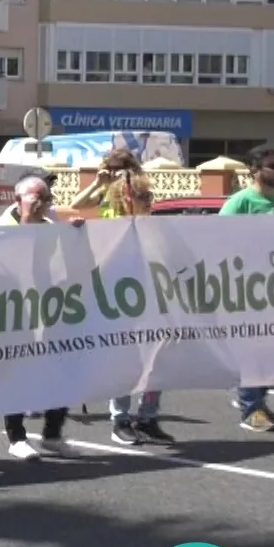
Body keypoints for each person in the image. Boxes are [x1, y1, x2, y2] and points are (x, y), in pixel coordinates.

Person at [0, 173, 79, 460]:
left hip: (50, 309)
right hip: (16, 313)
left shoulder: (50, 227)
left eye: (47, 197)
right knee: (18, 374)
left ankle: (52, 434)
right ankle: (16, 437)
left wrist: (75, 234)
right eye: (37, 197)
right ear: (17, 201)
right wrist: (29, 220)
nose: (43, 203)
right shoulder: (2, 226)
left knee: (63, 369)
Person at [102, 171, 174, 446]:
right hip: (123, 307)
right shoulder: (110, 228)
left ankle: (147, 418)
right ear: (125, 198)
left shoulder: (154, 228)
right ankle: (120, 420)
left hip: (154, 303)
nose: (148, 201)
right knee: (126, 364)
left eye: (149, 195)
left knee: (157, 364)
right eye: (142, 196)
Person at [224, 152, 274, 433]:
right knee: (252, 349)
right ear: (255, 170)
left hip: (272, 287)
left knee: (269, 350)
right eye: (273, 167)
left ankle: (258, 401)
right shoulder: (240, 202)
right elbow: (218, 236)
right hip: (245, 287)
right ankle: (250, 408)